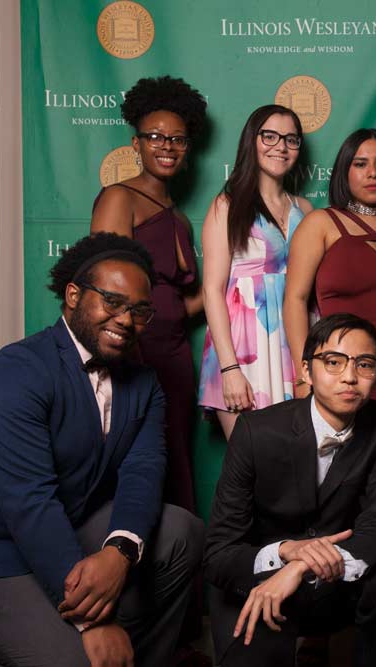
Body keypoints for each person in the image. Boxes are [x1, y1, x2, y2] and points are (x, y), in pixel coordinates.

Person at [0, 233, 204, 667]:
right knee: (79, 659)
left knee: (179, 531)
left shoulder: (143, 384)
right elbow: (29, 502)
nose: (126, 320)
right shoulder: (18, 369)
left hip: (64, 530)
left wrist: (120, 551)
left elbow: (144, 471)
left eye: (140, 311)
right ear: (74, 296)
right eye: (112, 302)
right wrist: (92, 623)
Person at [204, 313, 376, 667]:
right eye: (333, 362)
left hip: (333, 578)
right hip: (261, 582)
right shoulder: (255, 432)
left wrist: (302, 567)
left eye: (365, 364)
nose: (349, 376)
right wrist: (284, 555)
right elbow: (220, 554)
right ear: (306, 371)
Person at [91, 75, 207, 512]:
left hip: (175, 357)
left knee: (173, 462)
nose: (167, 146)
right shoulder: (120, 197)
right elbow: (105, 288)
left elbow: (180, 305)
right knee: (136, 464)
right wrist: (125, 352)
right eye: (156, 136)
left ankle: (176, 570)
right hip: (132, 353)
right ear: (136, 143)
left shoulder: (180, 219)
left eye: (178, 139)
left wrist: (228, 289)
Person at [198, 105, 313, 440]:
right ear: (252, 140)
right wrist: (230, 368)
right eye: (270, 136)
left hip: (295, 341)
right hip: (242, 346)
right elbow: (212, 291)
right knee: (251, 468)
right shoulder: (227, 205)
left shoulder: (303, 209)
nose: (281, 146)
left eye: (291, 139)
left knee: (299, 465)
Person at [284, 128, 376, 410]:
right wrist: (303, 374)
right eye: (360, 164)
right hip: (342, 373)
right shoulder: (321, 223)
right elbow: (294, 300)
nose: (372, 173)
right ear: (344, 171)